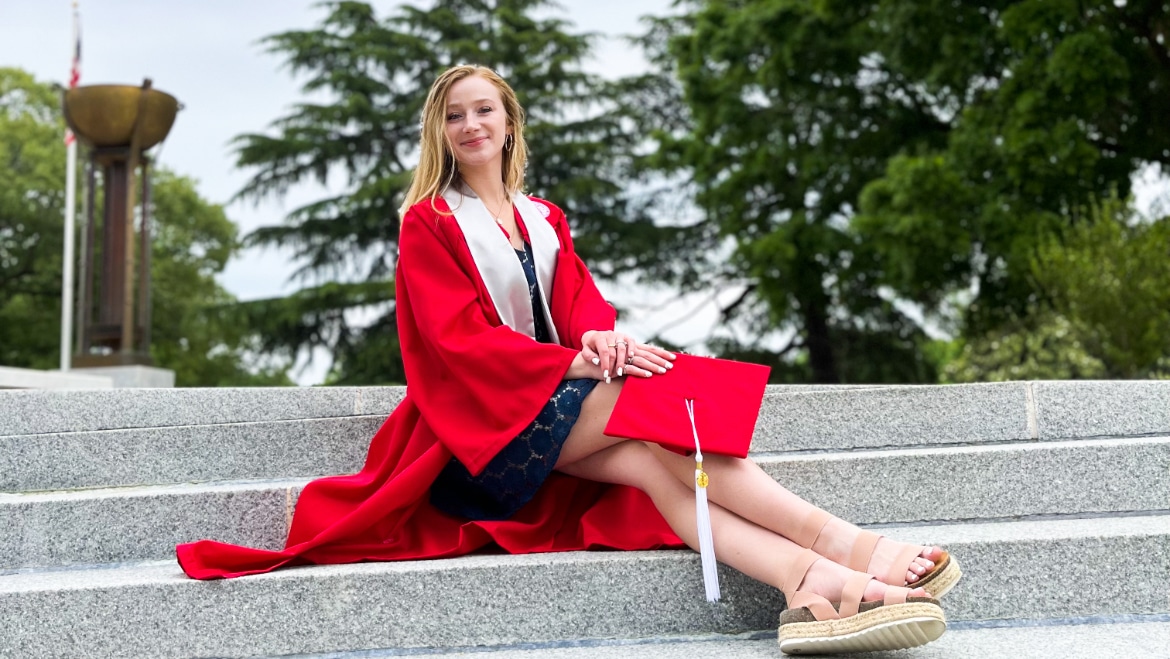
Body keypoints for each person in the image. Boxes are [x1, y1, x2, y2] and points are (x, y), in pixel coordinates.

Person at [177, 65, 960, 655]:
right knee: (670, 407)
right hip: (485, 438)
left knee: (661, 462)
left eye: (484, 110)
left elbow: (580, 303)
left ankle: (810, 584)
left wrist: (603, 339)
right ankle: (853, 546)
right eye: (455, 115)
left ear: (509, 122)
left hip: (557, 410)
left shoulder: (542, 217)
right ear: (440, 131)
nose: (470, 124)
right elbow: (457, 344)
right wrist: (572, 368)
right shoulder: (428, 225)